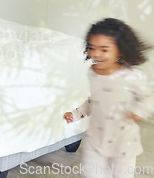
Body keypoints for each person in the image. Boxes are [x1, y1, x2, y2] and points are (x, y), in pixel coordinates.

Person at [63, 18, 152, 178]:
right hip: (96, 138)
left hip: (123, 141)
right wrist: (76, 114)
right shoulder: (92, 72)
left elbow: (148, 97)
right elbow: (93, 100)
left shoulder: (131, 75)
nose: (96, 54)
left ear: (120, 50)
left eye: (104, 50)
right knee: (91, 173)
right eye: (92, 48)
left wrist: (139, 111)